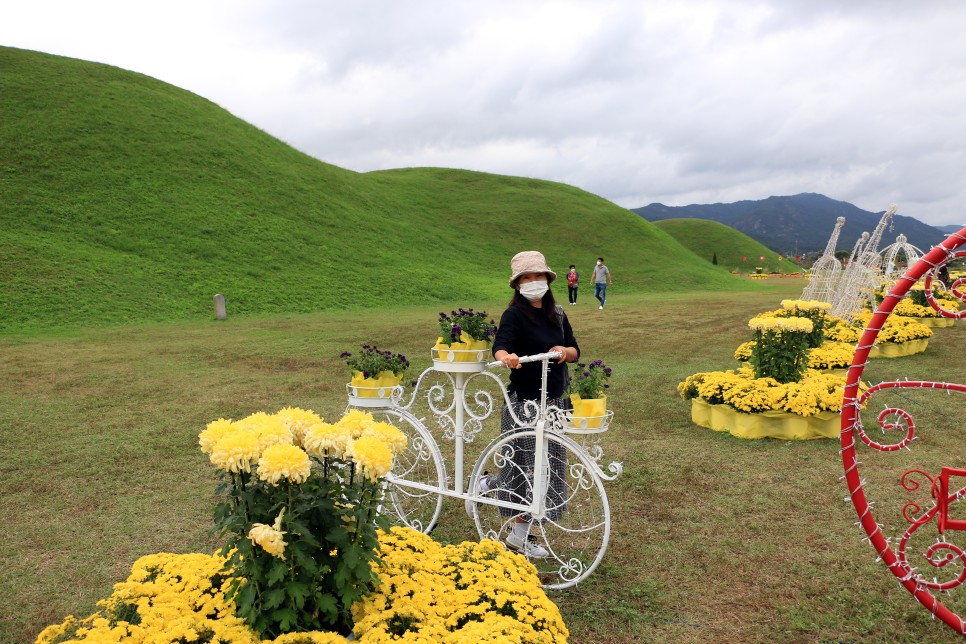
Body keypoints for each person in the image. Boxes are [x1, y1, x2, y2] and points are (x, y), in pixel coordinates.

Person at [488, 250, 580, 558]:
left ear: (547, 279)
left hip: (554, 400)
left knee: (550, 469)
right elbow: (500, 345)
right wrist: (506, 357)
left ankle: (515, 527)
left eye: (537, 276)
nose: (533, 282)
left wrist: (565, 352)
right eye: (526, 278)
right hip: (524, 402)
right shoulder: (513, 315)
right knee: (524, 470)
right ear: (517, 285)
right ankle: (515, 528)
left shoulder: (558, 313)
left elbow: (575, 349)